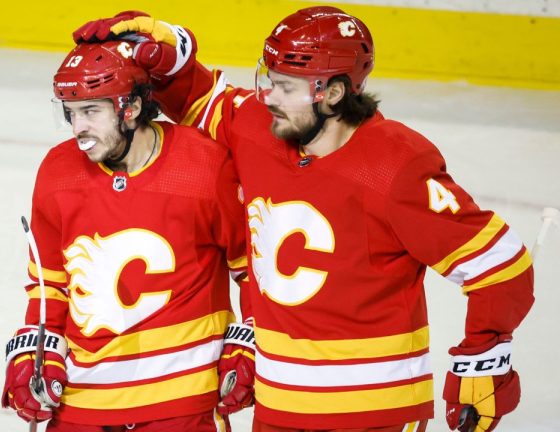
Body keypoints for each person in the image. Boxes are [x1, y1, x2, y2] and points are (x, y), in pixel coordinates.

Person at [73, 6, 535, 432]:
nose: (267, 95)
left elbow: (500, 265)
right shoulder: (259, 128)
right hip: (279, 405)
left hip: (373, 411)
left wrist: (484, 356)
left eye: (286, 87)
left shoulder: (395, 166)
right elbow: (197, 100)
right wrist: (168, 56)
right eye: (267, 78)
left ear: (333, 93)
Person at [0, 39, 252, 432]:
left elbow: (250, 267)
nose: (78, 127)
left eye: (91, 111)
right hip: (83, 399)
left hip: (182, 400)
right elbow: (49, 285)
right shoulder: (57, 170)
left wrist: (247, 339)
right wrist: (37, 350)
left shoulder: (204, 164)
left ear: (131, 108)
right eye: (70, 113)